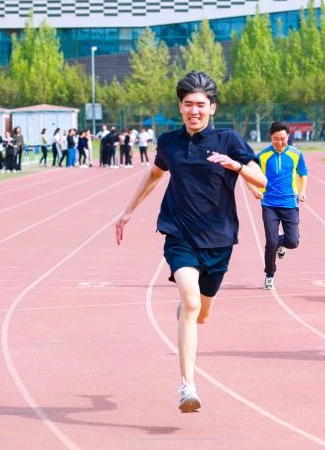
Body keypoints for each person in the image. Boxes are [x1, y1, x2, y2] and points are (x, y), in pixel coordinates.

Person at [114, 71, 266, 412]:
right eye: (187, 104)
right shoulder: (169, 142)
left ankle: (190, 308)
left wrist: (236, 166)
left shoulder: (229, 140)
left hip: (219, 238)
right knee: (191, 302)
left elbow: (262, 180)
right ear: (180, 107)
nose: (193, 111)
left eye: (200, 105)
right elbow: (155, 174)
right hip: (180, 234)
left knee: (201, 313)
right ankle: (188, 387)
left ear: (212, 108)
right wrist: (128, 211)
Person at [249, 121, 308, 291]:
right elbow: (248, 173)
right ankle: (270, 275)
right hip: (269, 204)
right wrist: (253, 190)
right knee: (271, 241)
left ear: (288, 136)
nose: (280, 142)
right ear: (271, 137)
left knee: (293, 241)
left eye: (283, 139)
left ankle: (280, 243)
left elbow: (303, 173)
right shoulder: (263, 156)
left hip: (290, 203)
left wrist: (303, 191)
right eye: (276, 139)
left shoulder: (296, 154)